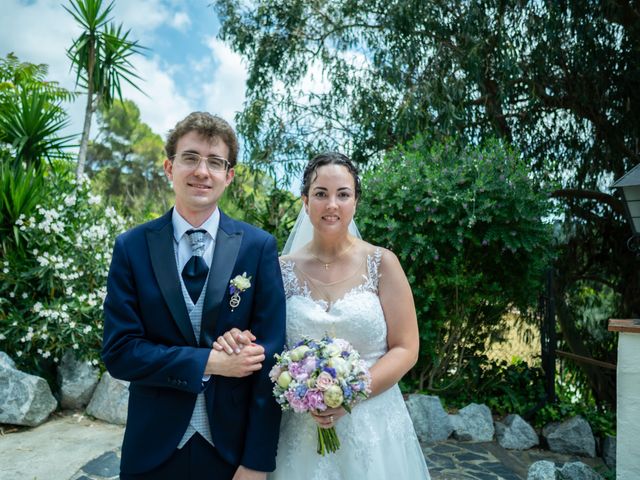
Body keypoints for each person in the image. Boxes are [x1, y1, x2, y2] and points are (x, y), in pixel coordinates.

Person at [216, 152, 430, 479]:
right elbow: (263, 344)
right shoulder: (278, 269)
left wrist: (349, 393)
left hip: (374, 426)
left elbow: (406, 348)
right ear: (305, 201)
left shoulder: (383, 263)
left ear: (356, 201)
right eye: (320, 194)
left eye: (343, 194)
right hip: (300, 428)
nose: (332, 204)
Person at [102, 112, 286, 480]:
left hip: (231, 454)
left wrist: (256, 462)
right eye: (190, 158)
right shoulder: (131, 247)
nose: (202, 171)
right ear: (169, 168)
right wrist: (210, 362)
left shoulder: (258, 247)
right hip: (152, 451)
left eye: (215, 162)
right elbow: (120, 353)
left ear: (229, 175)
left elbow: (271, 362)